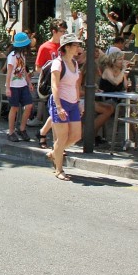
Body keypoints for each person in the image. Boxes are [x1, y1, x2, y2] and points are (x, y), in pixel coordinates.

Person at [47, 33, 84, 181]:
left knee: (76, 135)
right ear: (67, 47)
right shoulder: (57, 63)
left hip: (73, 103)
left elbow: (75, 85)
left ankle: (54, 153)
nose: (78, 47)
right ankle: (59, 169)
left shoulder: (74, 63)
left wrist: (78, 102)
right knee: (62, 138)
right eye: (75, 45)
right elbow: (54, 86)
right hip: (60, 102)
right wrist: (58, 107)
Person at [5, 33, 34, 142]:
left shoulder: (22, 55)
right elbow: (9, 73)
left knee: (29, 105)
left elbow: (24, 70)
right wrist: (8, 88)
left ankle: (22, 128)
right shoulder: (12, 56)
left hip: (22, 84)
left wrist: (29, 83)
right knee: (14, 108)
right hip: (13, 86)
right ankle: (11, 131)